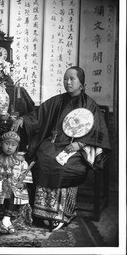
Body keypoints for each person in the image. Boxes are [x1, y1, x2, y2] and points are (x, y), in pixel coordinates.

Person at [11, 66, 111, 232]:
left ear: (81, 83)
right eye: (65, 78)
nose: (68, 82)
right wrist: (24, 120)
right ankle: (42, 214)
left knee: (64, 165)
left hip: (76, 148)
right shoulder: (57, 100)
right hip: (54, 143)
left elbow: (97, 132)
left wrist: (80, 144)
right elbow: (39, 115)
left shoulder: (90, 105)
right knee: (43, 157)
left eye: (72, 79)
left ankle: (63, 214)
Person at [0, 131, 33, 234]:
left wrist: (22, 183)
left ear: (17, 147)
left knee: (13, 193)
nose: (9, 147)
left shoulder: (21, 161)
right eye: (7, 144)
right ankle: (7, 222)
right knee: (2, 192)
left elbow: (25, 173)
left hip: (15, 186)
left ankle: (5, 220)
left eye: (13, 145)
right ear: (1, 144)